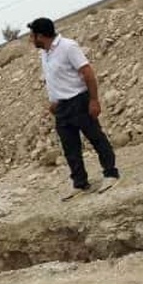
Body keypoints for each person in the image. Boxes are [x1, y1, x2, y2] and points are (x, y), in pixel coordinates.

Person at [28, 16, 120, 201]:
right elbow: (56, 79)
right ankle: (80, 183)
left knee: (96, 138)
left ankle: (111, 174)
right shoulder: (44, 53)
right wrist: (54, 101)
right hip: (61, 108)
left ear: (40, 36)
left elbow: (87, 73)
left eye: (32, 36)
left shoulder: (68, 47)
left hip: (79, 101)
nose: (30, 40)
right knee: (70, 148)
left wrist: (94, 100)